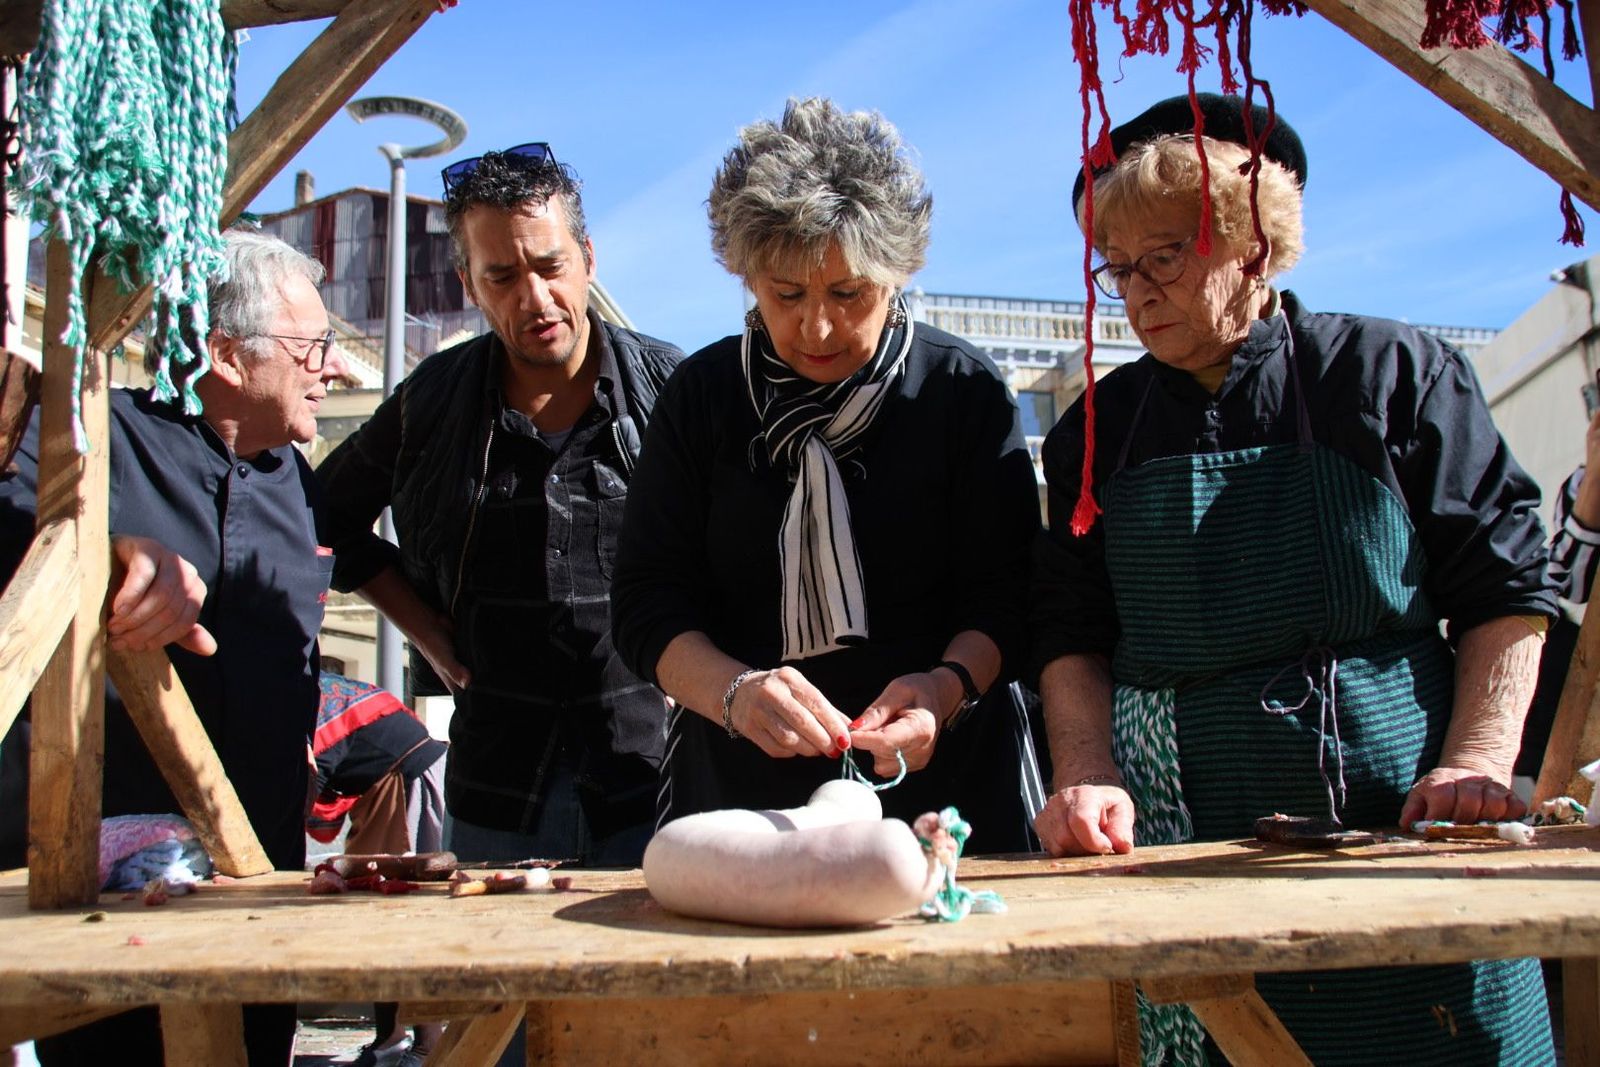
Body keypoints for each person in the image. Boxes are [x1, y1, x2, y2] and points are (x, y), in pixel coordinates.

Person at [1031, 93, 1557, 1065]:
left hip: (1402, 832)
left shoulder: (1391, 372)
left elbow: (1506, 586)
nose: (1137, 292)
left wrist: (1476, 762)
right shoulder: (1092, 431)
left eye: (1164, 257)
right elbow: (1068, 631)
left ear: (1253, 241)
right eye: (1119, 268)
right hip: (1188, 849)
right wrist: (1084, 771)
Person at [610, 98, 1043, 851]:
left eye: (847, 294)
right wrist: (734, 691)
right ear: (745, 276)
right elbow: (647, 602)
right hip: (742, 803)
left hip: (953, 788)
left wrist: (944, 690)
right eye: (785, 294)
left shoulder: (961, 392)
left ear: (898, 273)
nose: (814, 328)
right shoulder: (703, 397)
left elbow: (1007, 595)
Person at [0, 228, 348, 1064]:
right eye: (316, 347)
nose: (332, 368)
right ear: (227, 354)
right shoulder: (84, 439)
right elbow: (16, 550)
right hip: (101, 912)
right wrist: (108, 553)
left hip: (260, 899)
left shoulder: (299, 483)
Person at [316, 143, 684, 870]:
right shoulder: (432, 402)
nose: (535, 298)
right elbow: (322, 511)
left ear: (587, 258)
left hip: (654, 778)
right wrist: (420, 626)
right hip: (499, 792)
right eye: (503, 276)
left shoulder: (672, 388)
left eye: (549, 267)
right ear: (469, 285)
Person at [309, 671, 447, 1067]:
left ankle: (425, 1046)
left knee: (403, 919)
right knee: (379, 921)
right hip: (384, 787)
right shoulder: (309, 688)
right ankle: (389, 1039)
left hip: (410, 780)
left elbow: (300, 787)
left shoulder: (309, 700)